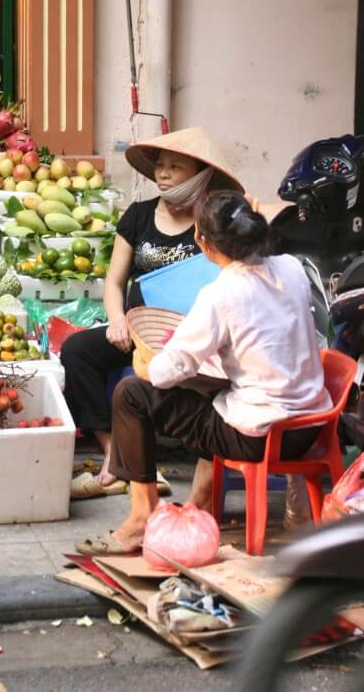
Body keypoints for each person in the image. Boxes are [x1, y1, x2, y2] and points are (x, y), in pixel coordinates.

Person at [75, 190, 332, 554]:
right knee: (216, 394)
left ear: (203, 243)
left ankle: (139, 519)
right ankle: (199, 503)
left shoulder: (221, 293)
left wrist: (155, 358)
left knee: (131, 395)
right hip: (309, 426)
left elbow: (165, 372)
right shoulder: (292, 268)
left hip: (259, 436)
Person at [64, 127, 244, 499]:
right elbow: (114, 281)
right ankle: (111, 449)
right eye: (161, 166)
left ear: (200, 175)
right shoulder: (139, 216)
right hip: (134, 331)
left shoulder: (213, 224)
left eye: (175, 167)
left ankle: (197, 466)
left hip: (190, 337)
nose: (163, 174)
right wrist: (117, 319)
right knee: (77, 351)